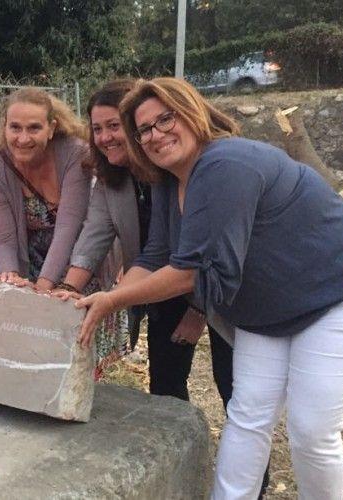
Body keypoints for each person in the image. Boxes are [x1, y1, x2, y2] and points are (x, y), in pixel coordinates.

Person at [76, 77, 343, 499]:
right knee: (247, 415)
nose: (156, 135)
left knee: (311, 429)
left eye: (165, 119)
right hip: (268, 310)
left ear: (193, 112)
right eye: (144, 129)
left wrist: (113, 299)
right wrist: (102, 296)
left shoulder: (226, 162)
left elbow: (192, 272)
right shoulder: (166, 179)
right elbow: (156, 255)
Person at [53, 79, 233, 403]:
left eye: (113, 126)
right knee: (164, 380)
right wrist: (68, 290)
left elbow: (212, 255)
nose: (105, 137)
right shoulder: (112, 179)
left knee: (232, 381)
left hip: (212, 287)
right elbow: (95, 238)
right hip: (155, 284)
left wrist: (197, 311)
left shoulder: (176, 170)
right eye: (97, 129)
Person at [0, 87, 127, 372]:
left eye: (34, 127)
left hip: (82, 264)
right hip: (33, 264)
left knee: (81, 354)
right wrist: (10, 277)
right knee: (39, 354)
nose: (23, 138)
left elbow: (69, 227)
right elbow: (2, 238)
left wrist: (45, 289)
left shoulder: (75, 153)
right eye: (15, 128)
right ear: (4, 128)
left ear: (51, 128)